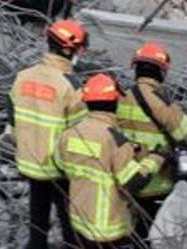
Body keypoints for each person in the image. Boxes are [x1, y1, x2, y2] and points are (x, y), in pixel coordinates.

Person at [55, 73, 169, 249]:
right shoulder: (115, 140)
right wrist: (155, 158)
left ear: (86, 101)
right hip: (108, 228)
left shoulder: (70, 133)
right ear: (115, 102)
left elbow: (61, 165)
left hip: (80, 220)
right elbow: (134, 181)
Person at [8, 20, 88, 249]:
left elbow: (12, 117)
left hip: (29, 160)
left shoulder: (23, 76)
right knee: (68, 214)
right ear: (70, 49)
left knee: (38, 208)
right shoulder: (70, 86)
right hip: (59, 166)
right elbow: (79, 134)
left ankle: (36, 245)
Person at [117, 42, 187, 245]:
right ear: (161, 72)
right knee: (153, 231)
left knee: (131, 227)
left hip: (129, 176)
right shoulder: (160, 101)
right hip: (157, 180)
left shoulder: (121, 98)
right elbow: (185, 133)